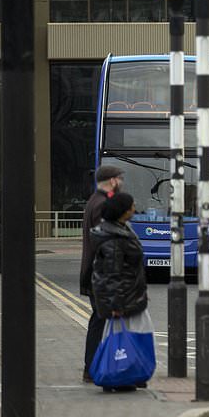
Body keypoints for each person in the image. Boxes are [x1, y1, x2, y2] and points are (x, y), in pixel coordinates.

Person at [90, 192, 150, 392]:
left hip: (130, 295)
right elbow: (112, 273)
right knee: (123, 339)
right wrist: (115, 305)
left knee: (133, 336)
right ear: (123, 211)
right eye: (132, 206)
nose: (135, 208)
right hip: (123, 299)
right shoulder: (113, 238)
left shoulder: (122, 230)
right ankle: (118, 375)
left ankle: (130, 373)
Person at [80, 164, 124, 384]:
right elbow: (104, 242)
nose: (122, 182)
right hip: (99, 274)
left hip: (95, 273)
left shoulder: (94, 200)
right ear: (113, 180)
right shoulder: (103, 204)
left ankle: (94, 367)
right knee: (100, 321)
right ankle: (93, 368)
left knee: (99, 320)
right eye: (120, 179)